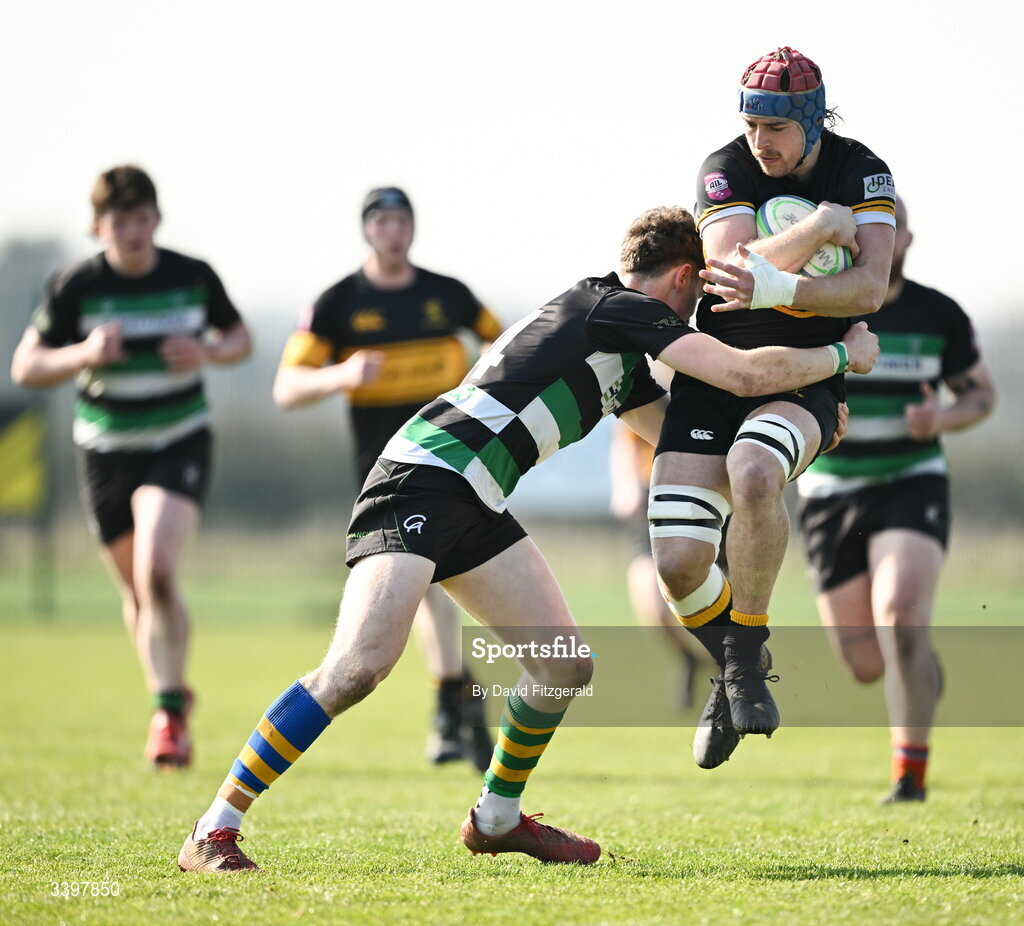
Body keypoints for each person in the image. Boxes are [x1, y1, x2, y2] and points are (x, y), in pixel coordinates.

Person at [176, 206, 878, 872]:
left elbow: (698, 455)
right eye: (705, 289)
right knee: (358, 667)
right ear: (685, 277)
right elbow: (745, 373)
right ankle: (214, 829)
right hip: (420, 480)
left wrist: (798, 437)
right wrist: (840, 357)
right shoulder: (618, 308)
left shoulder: (622, 352)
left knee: (563, 666)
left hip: (473, 500)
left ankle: (497, 819)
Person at [649, 45, 897, 769]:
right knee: (677, 563)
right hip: (716, 374)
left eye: (777, 128)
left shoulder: (863, 171)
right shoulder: (721, 167)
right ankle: (734, 667)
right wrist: (821, 229)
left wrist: (783, 289)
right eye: (752, 124)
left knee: (756, 471)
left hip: (805, 382)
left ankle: (742, 658)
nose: (762, 141)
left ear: (815, 124)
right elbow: (733, 274)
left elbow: (870, 289)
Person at [10, 165, 252, 768]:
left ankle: (167, 716)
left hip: (178, 441)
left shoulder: (191, 276)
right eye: (120, 221)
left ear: (157, 218)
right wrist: (82, 354)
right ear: (100, 226)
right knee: (136, 593)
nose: (134, 231)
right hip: (105, 450)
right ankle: (169, 702)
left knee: (158, 571)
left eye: (142, 218)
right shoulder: (76, 286)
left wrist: (207, 352)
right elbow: (25, 366)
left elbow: (240, 338)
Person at [272, 187, 503, 771]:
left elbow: (503, 346)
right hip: (384, 472)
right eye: (383, 221)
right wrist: (340, 374)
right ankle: (457, 702)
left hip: (453, 457)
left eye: (402, 220)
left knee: (435, 585)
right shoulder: (339, 304)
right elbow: (287, 387)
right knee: (428, 587)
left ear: (413, 228)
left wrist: (477, 383)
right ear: (367, 230)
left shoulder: (447, 295)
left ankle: (454, 704)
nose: (393, 231)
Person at [796, 195, 996, 803]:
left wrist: (943, 416)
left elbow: (981, 395)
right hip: (831, 491)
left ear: (905, 240)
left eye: (892, 229)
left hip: (912, 480)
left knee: (901, 616)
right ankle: (919, 667)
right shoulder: (819, 309)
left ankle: (910, 774)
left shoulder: (940, 314)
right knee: (865, 664)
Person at [608, 386, 712, 708]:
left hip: (702, 500)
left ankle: (732, 677)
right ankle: (688, 657)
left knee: (711, 609)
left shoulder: (706, 382)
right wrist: (624, 486)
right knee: (653, 607)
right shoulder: (643, 379)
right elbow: (624, 442)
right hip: (651, 499)